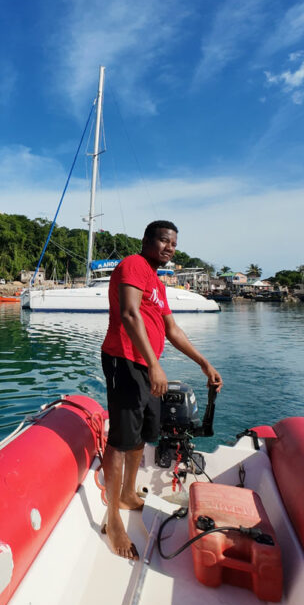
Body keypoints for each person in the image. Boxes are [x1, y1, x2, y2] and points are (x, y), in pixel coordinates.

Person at [100, 220, 222, 560]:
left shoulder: (157, 281)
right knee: (121, 439)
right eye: (164, 241)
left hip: (147, 364)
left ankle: (126, 494)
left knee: (143, 432)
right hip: (124, 359)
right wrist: (154, 364)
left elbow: (171, 328)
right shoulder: (133, 265)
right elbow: (127, 314)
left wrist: (203, 362)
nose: (169, 247)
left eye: (173, 243)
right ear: (147, 241)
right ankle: (112, 519)